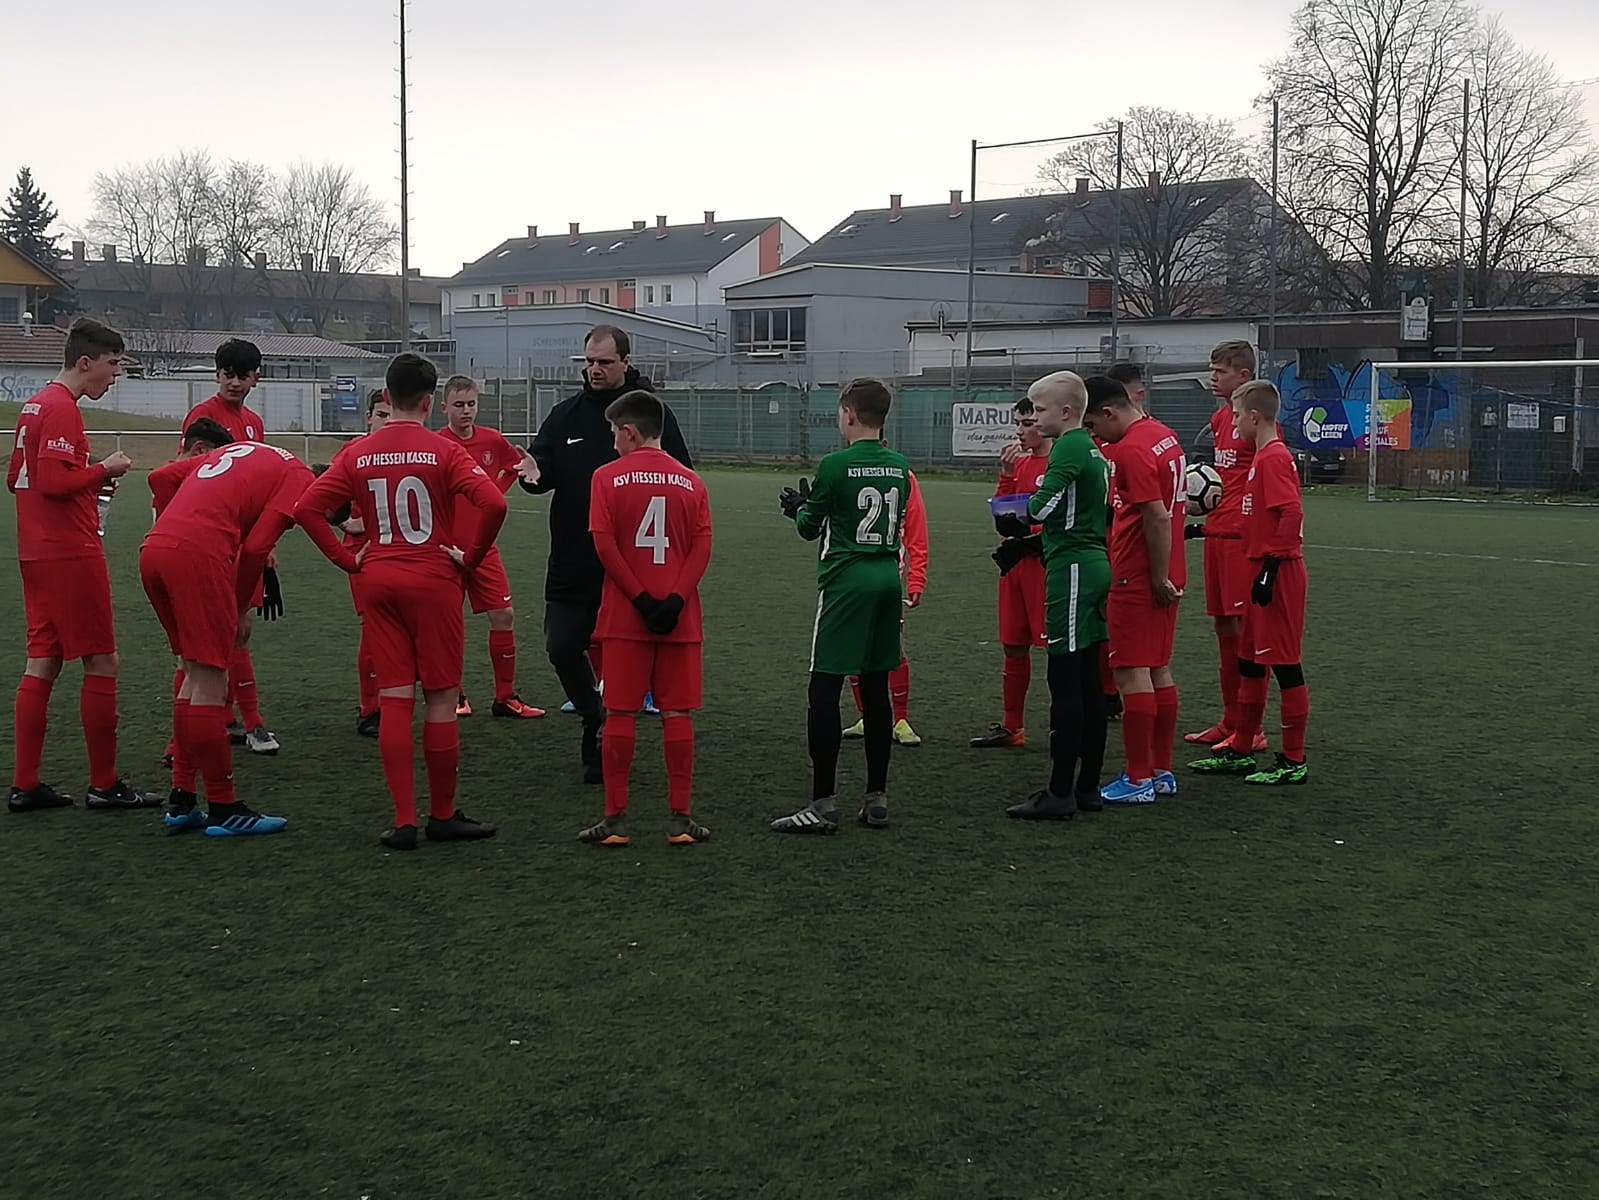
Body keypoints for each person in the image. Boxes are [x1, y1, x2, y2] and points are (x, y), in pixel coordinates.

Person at [296, 352, 506, 851]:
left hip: (380, 577)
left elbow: (307, 508)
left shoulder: (358, 452)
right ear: (431, 402)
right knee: (440, 697)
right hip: (433, 579)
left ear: (387, 398)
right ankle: (442, 815)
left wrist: (347, 561)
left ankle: (404, 820)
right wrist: (471, 557)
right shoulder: (444, 450)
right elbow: (495, 503)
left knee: (393, 698)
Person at [517, 325, 692, 784]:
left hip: (633, 565)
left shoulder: (652, 415)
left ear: (626, 363)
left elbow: (681, 477)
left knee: (625, 657)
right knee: (561, 646)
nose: (594, 370)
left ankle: (611, 736)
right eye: (589, 362)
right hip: (575, 556)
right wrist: (532, 475)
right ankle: (594, 716)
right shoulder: (565, 415)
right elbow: (541, 470)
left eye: (604, 362)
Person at [6, 317, 157, 813]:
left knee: (43, 661)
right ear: (85, 361)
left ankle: (26, 784)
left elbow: (18, 479)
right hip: (68, 550)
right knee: (102, 661)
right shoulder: (61, 408)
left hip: (35, 548)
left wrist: (88, 479)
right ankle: (104, 784)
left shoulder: (35, 406)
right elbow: (51, 483)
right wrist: (103, 470)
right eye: (113, 364)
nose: (116, 374)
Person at [141, 440, 329, 836]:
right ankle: (224, 807)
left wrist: (174, 523)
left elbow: (160, 478)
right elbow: (257, 547)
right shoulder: (297, 476)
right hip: (197, 556)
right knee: (212, 679)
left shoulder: (245, 450)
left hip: (155, 550)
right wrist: (240, 606)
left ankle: (183, 797)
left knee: (193, 674)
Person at [770, 379, 909, 835]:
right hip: (887, 578)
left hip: (847, 581)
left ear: (848, 414)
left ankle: (823, 802)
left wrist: (800, 507)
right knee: (875, 687)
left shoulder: (835, 464)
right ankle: (876, 797)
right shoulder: (899, 465)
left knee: (824, 688)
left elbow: (810, 527)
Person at [579, 390, 714, 847]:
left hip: (625, 617)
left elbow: (604, 546)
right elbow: (701, 548)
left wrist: (639, 599)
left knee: (619, 712)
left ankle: (615, 821)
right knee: (677, 713)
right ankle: (680, 820)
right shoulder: (692, 482)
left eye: (614, 433)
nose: (613, 442)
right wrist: (674, 600)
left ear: (629, 432)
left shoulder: (605, 477)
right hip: (680, 618)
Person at [998, 372, 1111, 820]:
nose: (1034, 417)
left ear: (1066, 412)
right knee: (1088, 679)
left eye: (1040, 410)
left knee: (1064, 678)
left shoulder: (1068, 446)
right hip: (1092, 560)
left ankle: (1060, 790)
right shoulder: (1092, 448)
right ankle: (1087, 787)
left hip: (1073, 566)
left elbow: (1041, 507)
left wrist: (1017, 517)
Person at [1189, 381, 1311, 784]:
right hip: (1260, 568)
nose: (1235, 422)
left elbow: (1291, 514)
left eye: (1238, 416)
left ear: (1254, 417)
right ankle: (1241, 748)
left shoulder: (1273, 457)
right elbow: (1253, 522)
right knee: (1250, 661)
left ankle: (1293, 760)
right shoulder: (1262, 455)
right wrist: (1204, 531)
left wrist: (1272, 567)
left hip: (1278, 575)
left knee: (1284, 665)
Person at [1083, 373, 1187, 806]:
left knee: (1129, 671)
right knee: (1158, 666)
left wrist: (1157, 577)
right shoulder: (1163, 434)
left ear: (1108, 412)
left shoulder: (1132, 448)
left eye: (1093, 425)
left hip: (1139, 573)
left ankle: (1138, 776)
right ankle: (1161, 771)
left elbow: (1157, 516)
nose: (1094, 435)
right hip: (1168, 569)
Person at [181, 337, 279, 756]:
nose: (234, 383)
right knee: (210, 638)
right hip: (210, 540)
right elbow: (187, 474)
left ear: (256, 377)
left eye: (242, 375)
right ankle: (245, 724)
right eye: (227, 374)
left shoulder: (254, 422)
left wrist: (266, 542)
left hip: (245, 542)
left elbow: (260, 484)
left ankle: (225, 719)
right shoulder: (202, 416)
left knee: (238, 631)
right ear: (216, 374)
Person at [436, 376, 545, 720]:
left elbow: (515, 466)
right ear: (444, 407)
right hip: (444, 549)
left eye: (471, 404)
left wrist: (497, 491)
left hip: (483, 548)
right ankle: (456, 695)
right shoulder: (437, 444)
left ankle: (505, 697)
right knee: (447, 623)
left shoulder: (492, 440)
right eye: (458, 405)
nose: (466, 411)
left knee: (503, 615)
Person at [1184, 340, 1268, 756]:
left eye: (1220, 371)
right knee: (1222, 628)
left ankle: (1252, 728)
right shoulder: (1220, 419)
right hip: (1216, 533)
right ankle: (1230, 719)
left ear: (1243, 376)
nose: (1212, 377)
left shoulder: (1257, 422)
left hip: (1241, 539)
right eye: (1212, 370)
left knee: (1244, 632)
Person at [150, 418, 236, 772]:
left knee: (193, 661)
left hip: (172, 563)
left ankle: (186, 747)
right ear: (200, 450)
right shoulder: (184, 479)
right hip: (192, 567)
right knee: (202, 667)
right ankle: (185, 751)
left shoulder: (178, 478)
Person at [971, 394, 1052, 749]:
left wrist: (1031, 539)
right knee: (1013, 645)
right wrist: (1006, 477)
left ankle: (1067, 724)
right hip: (1015, 568)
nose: (1020, 431)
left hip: (1045, 568)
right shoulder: (1019, 465)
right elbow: (1003, 518)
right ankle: (1012, 726)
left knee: (1058, 650)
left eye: (1028, 424)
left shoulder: (1059, 464)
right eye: (1018, 423)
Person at [843, 456, 925, 747]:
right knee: (854, 648)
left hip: (886, 577)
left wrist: (916, 578)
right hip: (849, 577)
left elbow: (916, 530)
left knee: (892, 647)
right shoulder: (844, 470)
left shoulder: (903, 476)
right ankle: (866, 716)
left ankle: (900, 719)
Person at [332, 389, 393, 737]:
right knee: (373, 627)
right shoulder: (352, 452)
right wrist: (346, 522)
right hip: (365, 550)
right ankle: (370, 708)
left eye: (392, 414)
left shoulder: (406, 451)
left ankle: (394, 699)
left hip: (402, 547)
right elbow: (321, 496)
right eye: (381, 415)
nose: (386, 421)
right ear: (368, 417)